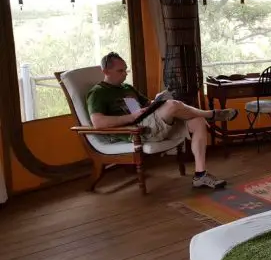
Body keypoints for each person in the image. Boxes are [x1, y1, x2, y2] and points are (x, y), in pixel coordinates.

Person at [86, 52, 237, 189]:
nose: (125, 74)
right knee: (173, 105)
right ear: (106, 71)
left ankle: (200, 175)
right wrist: (132, 117)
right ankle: (210, 115)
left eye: (126, 70)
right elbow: (98, 122)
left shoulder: (126, 87)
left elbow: (147, 105)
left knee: (196, 120)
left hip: (150, 122)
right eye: (121, 71)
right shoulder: (98, 93)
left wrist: (158, 100)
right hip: (137, 131)